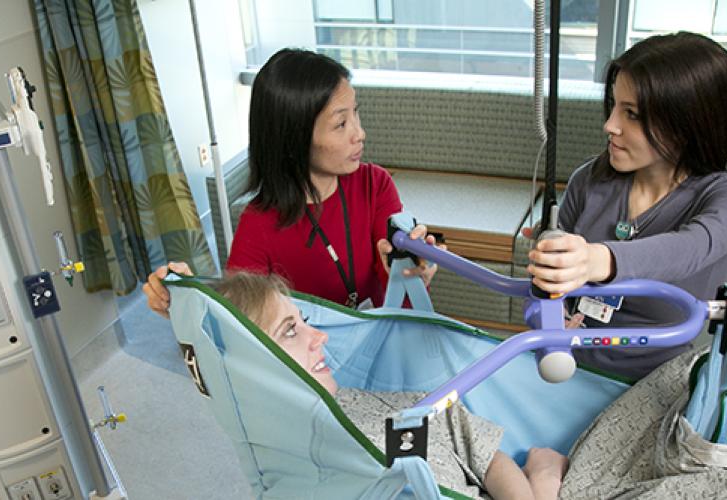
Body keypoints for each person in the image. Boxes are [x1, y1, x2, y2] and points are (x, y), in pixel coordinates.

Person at [526, 32, 727, 379]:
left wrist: (596, 260)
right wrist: (547, 316)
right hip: (564, 368)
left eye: (631, 114)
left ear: (686, 123)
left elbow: (688, 249)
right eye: (615, 106)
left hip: (652, 388)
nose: (610, 126)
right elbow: (537, 293)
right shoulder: (590, 180)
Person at [214, 271, 566, 500]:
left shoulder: (385, 407)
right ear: (253, 363)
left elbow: (485, 454)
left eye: (304, 321)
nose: (320, 336)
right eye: (290, 330)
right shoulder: (283, 458)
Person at [145, 48, 439, 317]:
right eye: (341, 124)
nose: (359, 133)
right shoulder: (258, 226)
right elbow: (241, 324)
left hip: (380, 341)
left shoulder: (375, 184)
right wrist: (180, 300)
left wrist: (412, 269)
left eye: (356, 114)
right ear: (294, 138)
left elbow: (404, 301)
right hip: (310, 363)